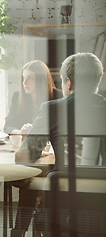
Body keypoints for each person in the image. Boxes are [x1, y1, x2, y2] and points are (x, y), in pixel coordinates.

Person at [11, 53, 106, 237]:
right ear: (97, 81)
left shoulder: (52, 109)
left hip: (59, 209)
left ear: (68, 83)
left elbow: (24, 158)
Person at [4, 60, 63, 136]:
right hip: (26, 145)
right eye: (23, 77)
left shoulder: (59, 96)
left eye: (30, 78)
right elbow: (7, 126)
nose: (24, 82)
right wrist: (21, 132)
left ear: (41, 79)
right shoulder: (17, 96)